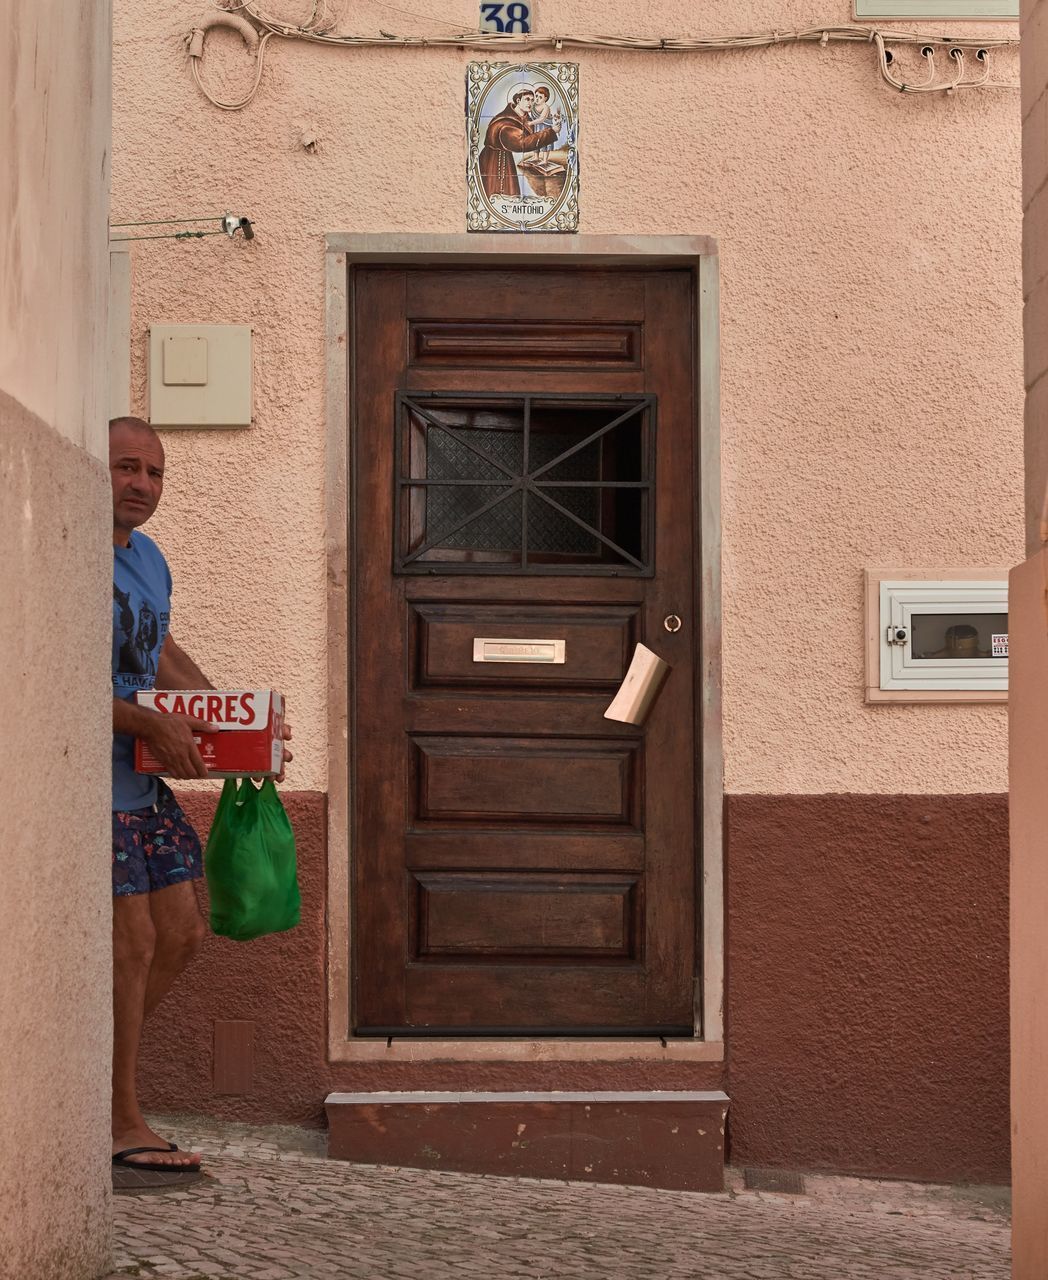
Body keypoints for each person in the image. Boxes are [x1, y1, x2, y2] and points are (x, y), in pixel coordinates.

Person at [108, 416, 289, 1180]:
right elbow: (44, 670)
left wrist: (237, 724)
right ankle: (116, 1116)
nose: (142, 485)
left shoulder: (147, 558)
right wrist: (149, 718)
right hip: (84, 780)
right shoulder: (54, 545)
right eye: (125, 467)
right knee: (133, 942)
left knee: (181, 930)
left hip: (141, 778)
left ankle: (77, 1075)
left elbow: (162, 650)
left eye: (154, 472)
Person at [478, 84, 559, 198]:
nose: (530, 103)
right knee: (497, 193)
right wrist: (551, 133)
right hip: (495, 162)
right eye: (527, 99)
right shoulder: (506, 122)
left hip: (506, 158)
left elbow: (532, 133)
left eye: (532, 99)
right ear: (518, 100)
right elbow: (522, 143)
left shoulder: (524, 117)